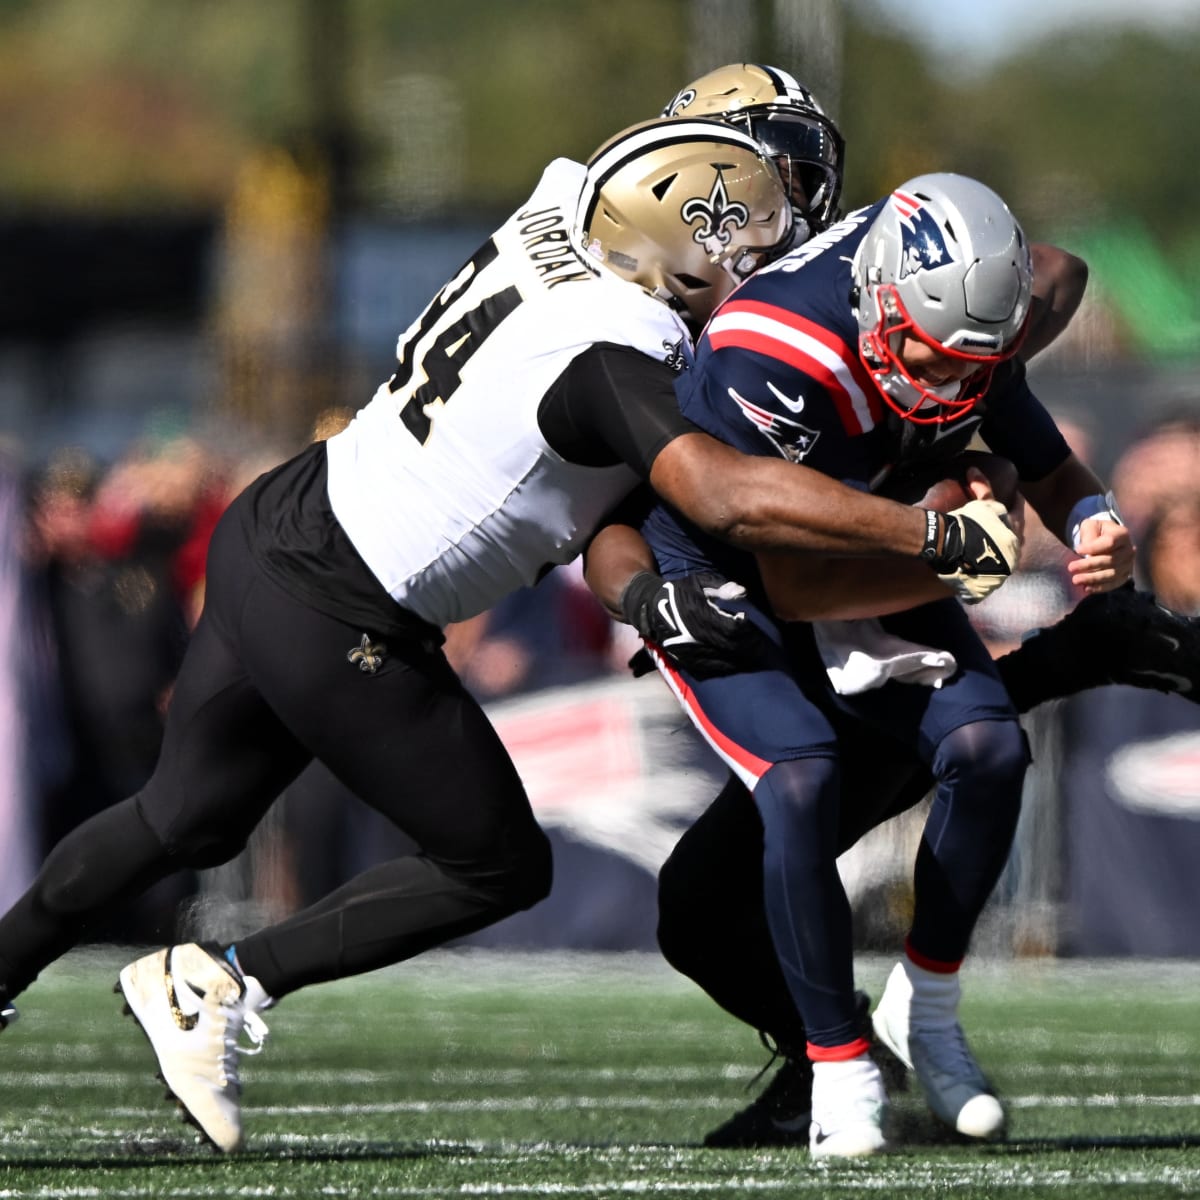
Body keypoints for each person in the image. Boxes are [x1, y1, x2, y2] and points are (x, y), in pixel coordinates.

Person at [0, 117, 1023, 1154]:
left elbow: (661, 171)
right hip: (346, 605)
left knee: (183, 817)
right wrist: (929, 533)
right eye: (749, 238)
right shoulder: (623, 355)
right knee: (494, 863)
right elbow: (716, 492)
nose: (767, 258)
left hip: (283, 516)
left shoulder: (559, 206)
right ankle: (220, 981)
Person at [592, 173, 1135, 1157]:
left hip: (879, 536)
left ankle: (925, 1008)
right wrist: (949, 542)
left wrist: (1096, 520)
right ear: (884, 301)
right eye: (936, 354)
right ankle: (838, 1067)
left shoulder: (961, 315)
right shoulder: (778, 350)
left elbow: (1045, 438)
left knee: (989, 750)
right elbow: (795, 584)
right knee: (800, 776)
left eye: (982, 358)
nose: (954, 379)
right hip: (730, 568)